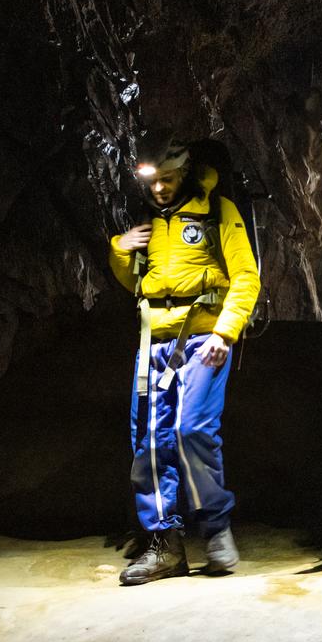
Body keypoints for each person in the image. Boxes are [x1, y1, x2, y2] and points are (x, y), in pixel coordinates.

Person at [108, 136, 259, 585]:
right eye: (154, 182)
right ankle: (164, 546)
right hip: (153, 342)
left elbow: (246, 276)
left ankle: (216, 530)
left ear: (186, 173)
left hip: (203, 339)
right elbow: (136, 282)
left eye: (168, 180)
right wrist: (121, 249)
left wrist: (225, 331)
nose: (159, 190)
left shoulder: (217, 210)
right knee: (150, 444)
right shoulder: (150, 221)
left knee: (192, 429)